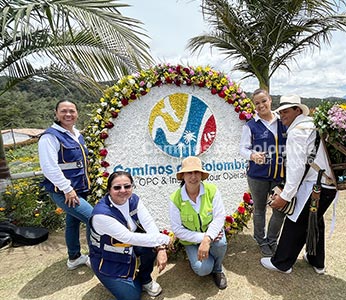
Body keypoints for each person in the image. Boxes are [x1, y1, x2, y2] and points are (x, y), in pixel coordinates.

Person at [260, 95, 338, 275]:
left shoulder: (297, 132)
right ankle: (316, 261)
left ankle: (281, 263)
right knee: (314, 222)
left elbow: (295, 169)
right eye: (280, 112)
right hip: (328, 186)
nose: (282, 116)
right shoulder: (313, 126)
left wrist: (285, 197)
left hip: (315, 188)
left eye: (286, 111)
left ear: (298, 110)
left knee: (295, 223)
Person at [89, 171, 173, 299]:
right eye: (117, 187)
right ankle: (130, 279)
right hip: (107, 258)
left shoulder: (133, 200)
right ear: (109, 190)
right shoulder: (101, 215)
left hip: (128, 248)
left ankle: (145, 279)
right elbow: (128, 237)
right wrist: (165, 239)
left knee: (149, 244)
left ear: (132, 187)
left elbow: (149, 224)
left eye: (127, 186)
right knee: (132, 297)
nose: (123, 190)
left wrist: (161, 247)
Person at [38, 99, 93, 270]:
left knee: (72, 223)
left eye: (72, 111)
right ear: (56, 113)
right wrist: (67, 189)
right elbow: (49, 167)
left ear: (77, 114)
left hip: (80, 189)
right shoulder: (50, 137)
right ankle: (96, 256)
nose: (68, 114)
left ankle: (74, 257)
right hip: (65, 192)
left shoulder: (77, 134)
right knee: (94, 219)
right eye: (63, 111)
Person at [239, 88, 287, 256]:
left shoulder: (282, 122)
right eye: (257, 103)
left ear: (270, 100)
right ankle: (261, 240)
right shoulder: (251, 125)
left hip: (278, 175)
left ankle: (272, 240)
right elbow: (242, 149)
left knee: (280, 208)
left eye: (263, 101)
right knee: (259, 209)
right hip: (257, 176)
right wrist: (252, 155)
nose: (261, 105)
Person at [169, 156, 228, 289]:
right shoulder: (175, 198)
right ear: (183, 176)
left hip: (212, 236)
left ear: (201, 175)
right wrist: (202, 238)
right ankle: (209, 262)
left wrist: (207, 239)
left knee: (221, 243)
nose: (193, 176)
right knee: (203, 269)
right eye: (189, 172)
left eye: (197, 172)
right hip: (191, 241)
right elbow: (177, 229)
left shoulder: (212, 190)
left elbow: (219, 217)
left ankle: (218, 269)